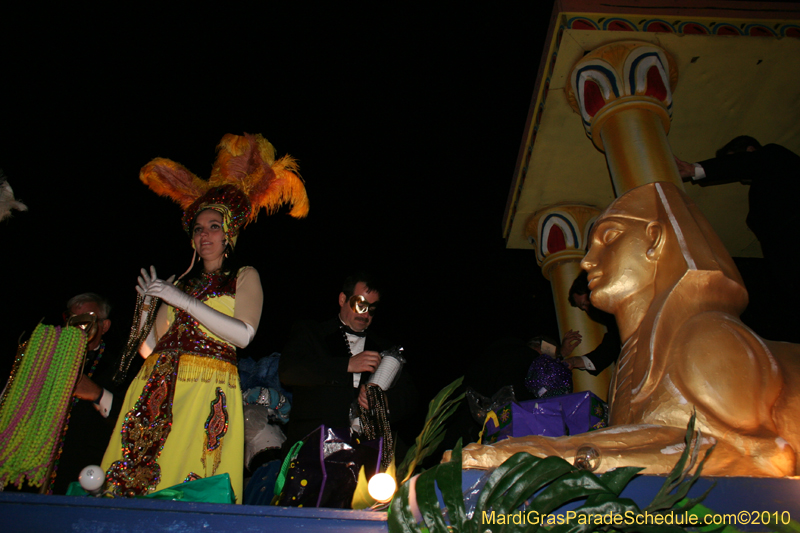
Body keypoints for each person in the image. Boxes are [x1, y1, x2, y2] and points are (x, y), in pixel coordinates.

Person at [457, 182, 800, 477]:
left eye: (609, 238)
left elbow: (746, 454)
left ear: (654, 239)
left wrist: (548, 454)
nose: (588, 260)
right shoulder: (632, 365)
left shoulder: (706, 337)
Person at [101, 133, 308, 503]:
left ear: (228, 234)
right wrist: (147, 307)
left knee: (190, 483)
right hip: (158, 386)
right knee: (135, 480)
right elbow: (149, 350)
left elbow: (243, 335)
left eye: (214, 226)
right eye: (198, 228)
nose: (205, 235)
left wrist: (179, 298)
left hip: (207, 385)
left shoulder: (244, 275)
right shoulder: (181, 283)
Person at [279, 272, 415, 447]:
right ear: (343, 299)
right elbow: (288, 371)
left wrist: (385, 401)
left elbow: (409, 396)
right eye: (360, 305)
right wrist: (347, 364)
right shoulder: (312, 333)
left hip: (366, 452)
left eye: (372, 309)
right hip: (312, 447)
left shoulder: (385, 349)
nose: (365, 315)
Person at [51, 293, 121, 494]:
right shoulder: (45, 359)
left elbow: (129, 418)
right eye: (73, 319)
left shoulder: (119, 367)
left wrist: (97, 394)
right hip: (33, 473)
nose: (80, 326)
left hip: (86, 477)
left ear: (105, 326)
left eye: (89, 318)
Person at [561, 271, 620, 375]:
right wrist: (573, 361)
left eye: (585, 303)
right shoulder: (613, 322)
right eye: (583, 308)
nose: (588, 310)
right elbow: (609, 349)